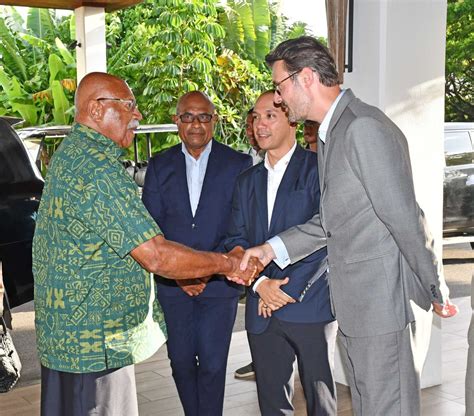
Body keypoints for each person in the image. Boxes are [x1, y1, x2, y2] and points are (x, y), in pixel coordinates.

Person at [238, 36, 459, 415]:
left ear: (306, 77)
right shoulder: (332, 134)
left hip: (381, 308)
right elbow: (332, 221)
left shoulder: (363, 129)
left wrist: (435, 287)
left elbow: (406, 218)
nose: (278, 99)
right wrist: (271, 247)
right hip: (356, 308)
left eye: (280, 87)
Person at [32, 73, 260, 416]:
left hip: (74, 341)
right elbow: (154, 254)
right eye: (128, 106)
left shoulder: (76, 152)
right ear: (97, 110)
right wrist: (228, 264)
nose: (137, 115)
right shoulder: (96, 167)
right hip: (94, 344)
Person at [226, 91, 337, 415]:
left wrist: (282, 289)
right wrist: (260, 285)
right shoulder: (246, 180)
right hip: (261, 305)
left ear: (291, 120)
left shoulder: (318, 170)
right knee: (272, 402)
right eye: (256, 117)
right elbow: (234, 240)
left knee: (321, 400)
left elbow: (326, 233)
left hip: (310, 304)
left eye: (269, 116)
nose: (260, 124)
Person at [142, 91, 252, 416]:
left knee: (214, 363)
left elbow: (240, 227)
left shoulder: (238, 164)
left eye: (204, 116)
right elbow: (152, 227)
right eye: (187, 116)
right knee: (180, 362)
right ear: (177, 121)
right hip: (173, 287)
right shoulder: (160, 165)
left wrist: (202, 271)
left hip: (218, 285)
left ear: (214, 120)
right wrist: (180, 275)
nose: (195, 124)